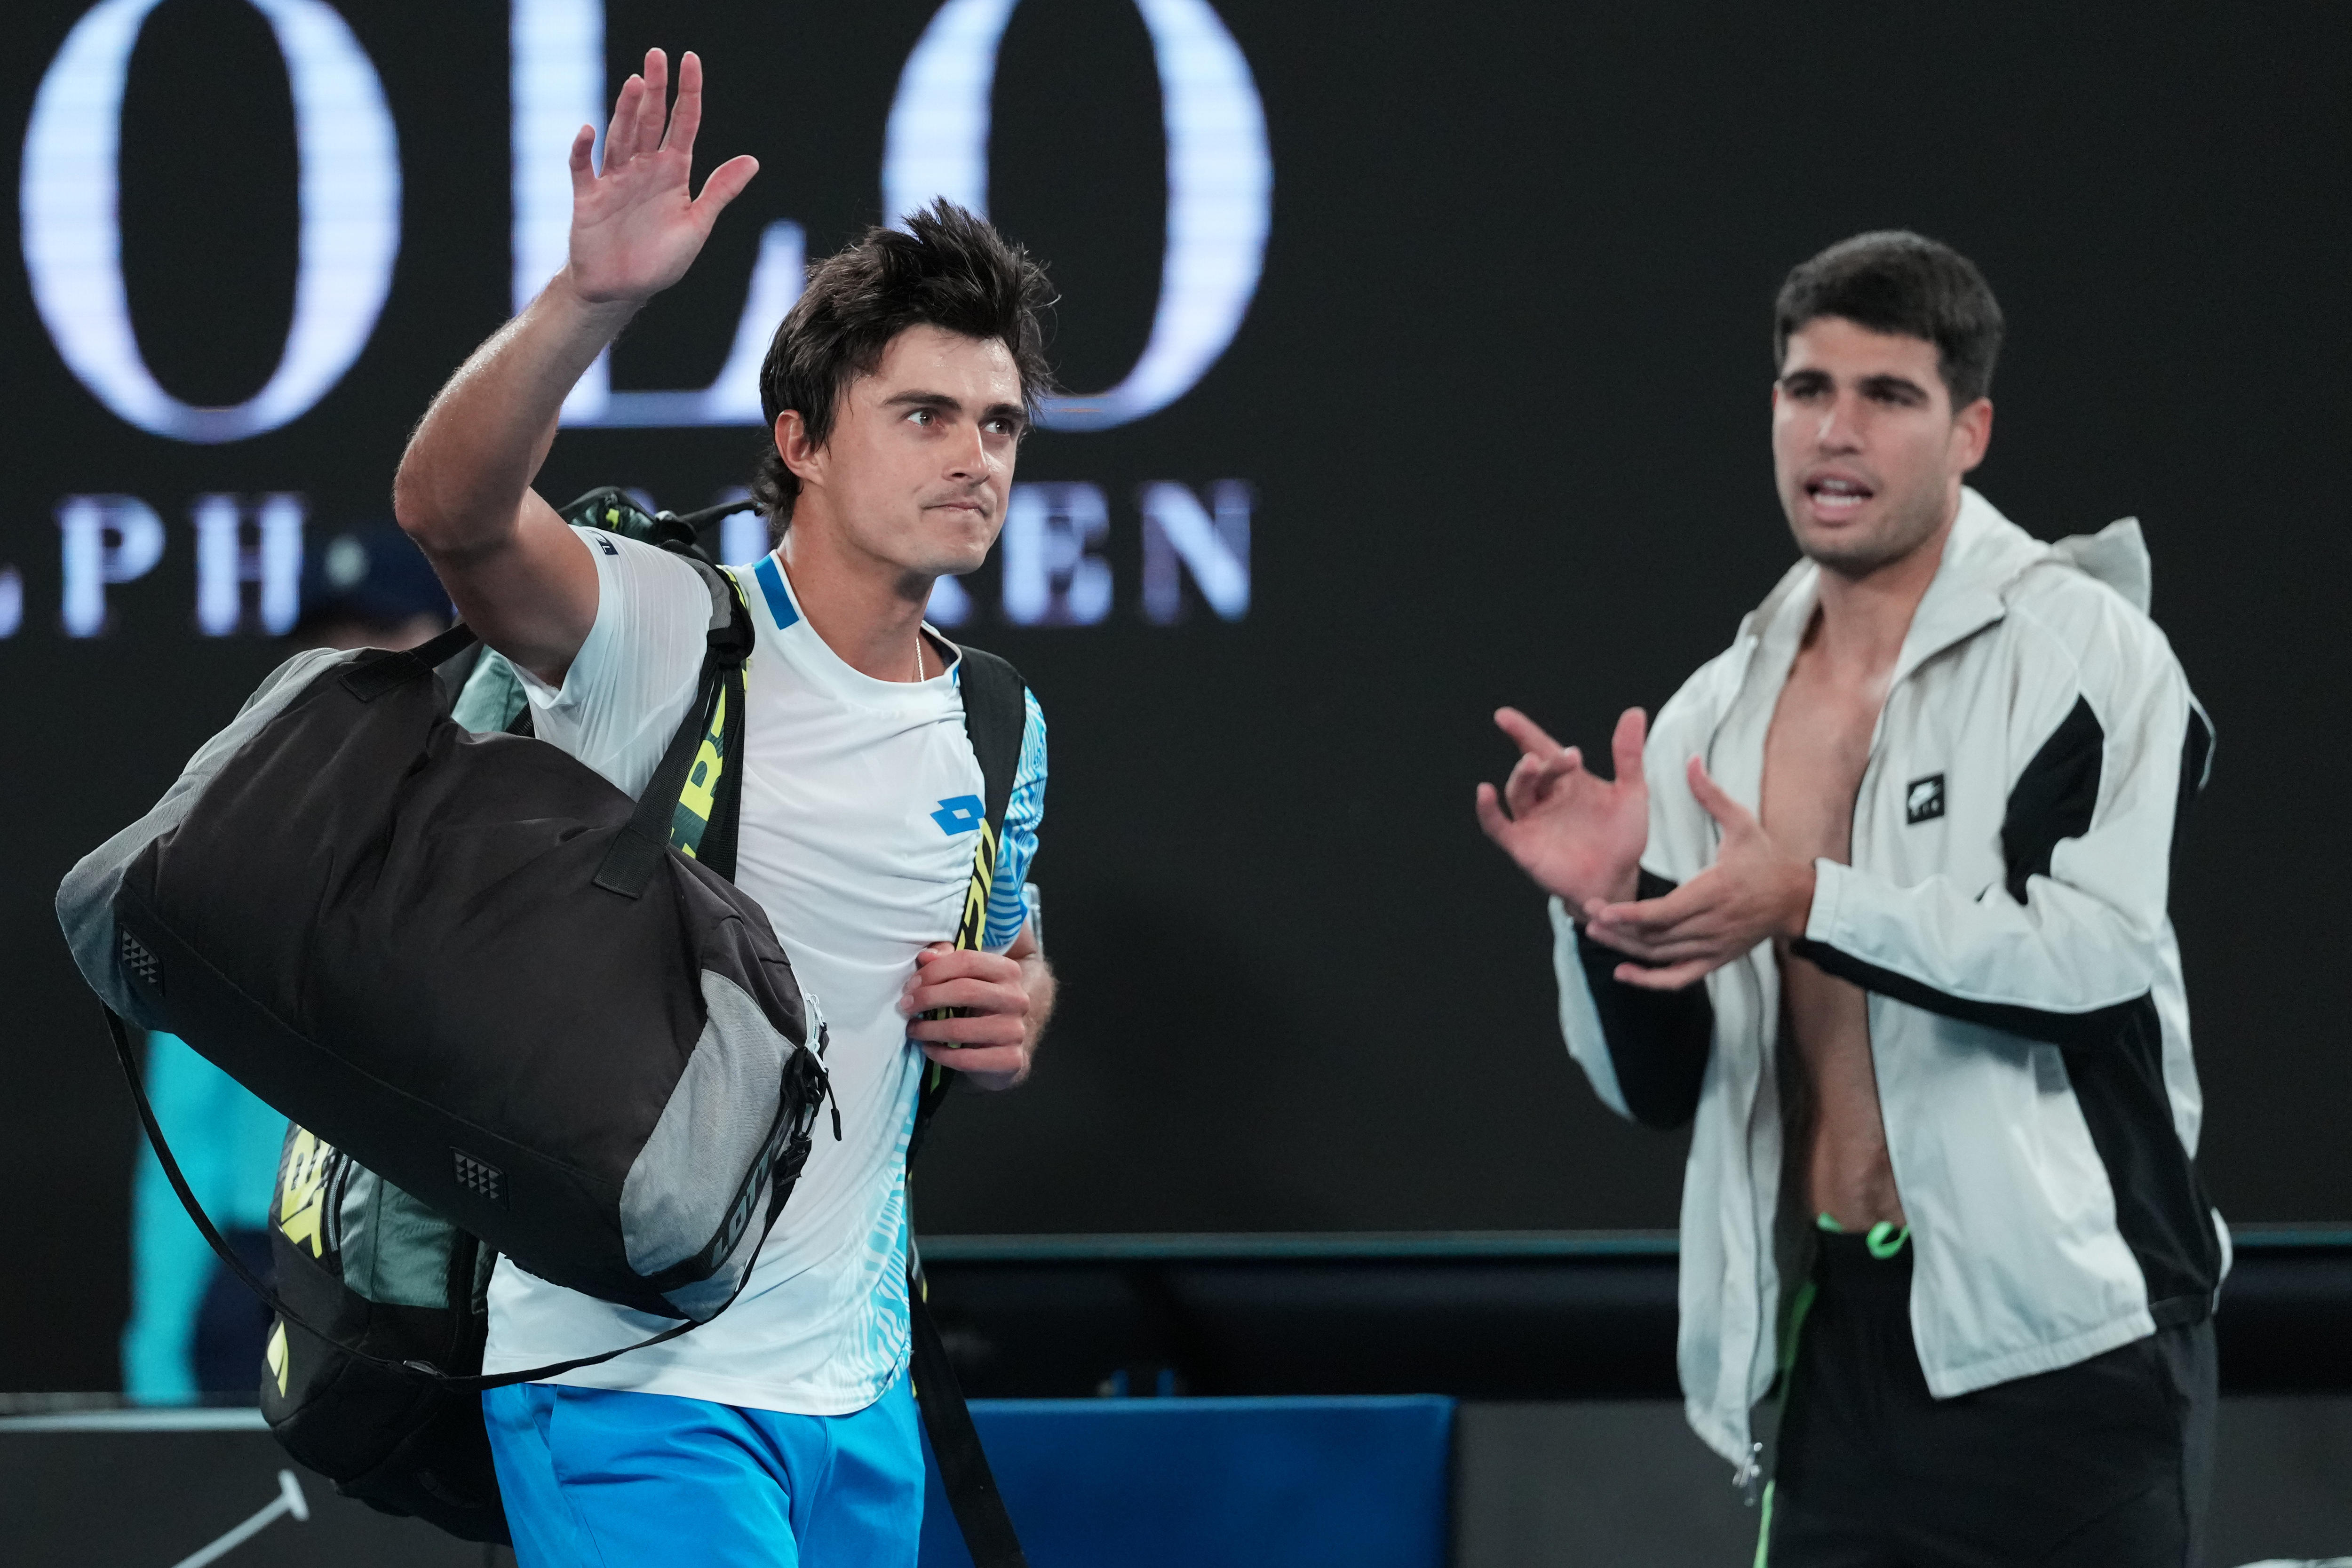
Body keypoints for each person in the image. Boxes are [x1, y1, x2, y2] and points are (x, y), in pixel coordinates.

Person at [391, 50, 1055, 1567]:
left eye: (1000, 424)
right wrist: (590, 305)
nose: (974, 457)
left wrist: (1019, 1005)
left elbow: (1005, 953)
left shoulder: (1001, 718)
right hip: (630, 1390)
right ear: (803, 442)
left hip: (859, 1408)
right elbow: (448, 512)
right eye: (926, 414)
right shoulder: (658, 629)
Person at [1477, 231, 2220, 1565]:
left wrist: (1811, 895)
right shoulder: (1722, 703)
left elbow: (2094, 968)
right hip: (1832, 1354)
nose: (1837, 428)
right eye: (1806, 387)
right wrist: (1602, 913)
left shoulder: (2086, 647)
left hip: (2074, 1348)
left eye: (1888, 394)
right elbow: (1664, 1085)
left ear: (1971, 428)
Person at [123, 523, 451, 1404]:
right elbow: (181, 1132)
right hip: (263, 1282)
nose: (351, 662)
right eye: (329, 639)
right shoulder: (222, 856)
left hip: (450, 1280)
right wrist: (160, 1357)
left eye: (383, 634)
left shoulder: (515, 841)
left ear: (454, 641)